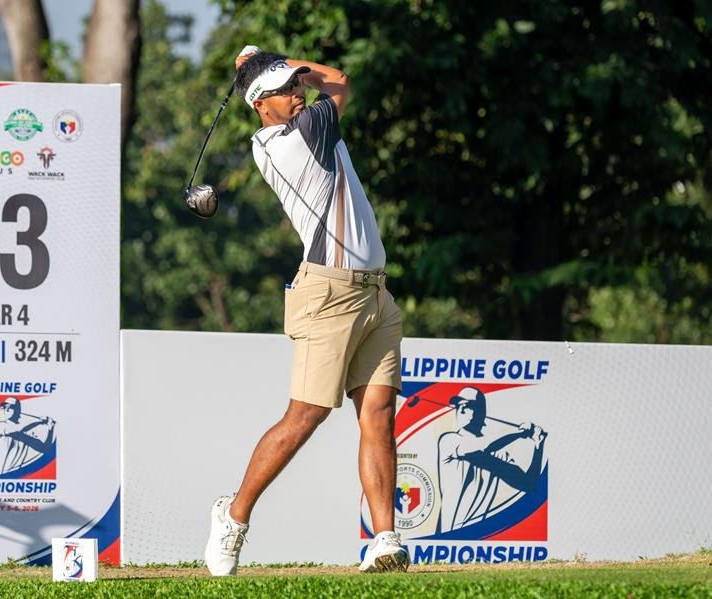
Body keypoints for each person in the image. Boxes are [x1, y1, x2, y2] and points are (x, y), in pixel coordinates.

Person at [203, 46, 409, 576]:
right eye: (286, 88)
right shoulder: (298, 137)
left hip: (374, 293)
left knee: (379, 415)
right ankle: (234, 515)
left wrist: (270, 64)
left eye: (298, 85)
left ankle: (385, 539)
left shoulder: (301, 122)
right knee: (305, 416)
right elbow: (338, 80)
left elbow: (327, 85)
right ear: (260, 105)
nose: (299, 93)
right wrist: (271, 58)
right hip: (329, 295)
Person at [436, 386, 546, 532]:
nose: (460, 410)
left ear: (482, 412)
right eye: (458, 406)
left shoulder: (497, 453)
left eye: (467, 406)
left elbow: (529, 484)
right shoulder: (449, 441)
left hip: (479, 538)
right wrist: (518, 433)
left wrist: (538, 447)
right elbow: (483, 446)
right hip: (448, 537)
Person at [0, 397, 56, 476]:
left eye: (11, 407)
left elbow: (45, 449)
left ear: (18, 410)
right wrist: (39, 421)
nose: (6, 409)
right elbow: (18, 429)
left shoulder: (24, 432)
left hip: (18, 476)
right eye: (5, 406)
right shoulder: (0, 426)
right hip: (1, 476)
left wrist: (51, 428)